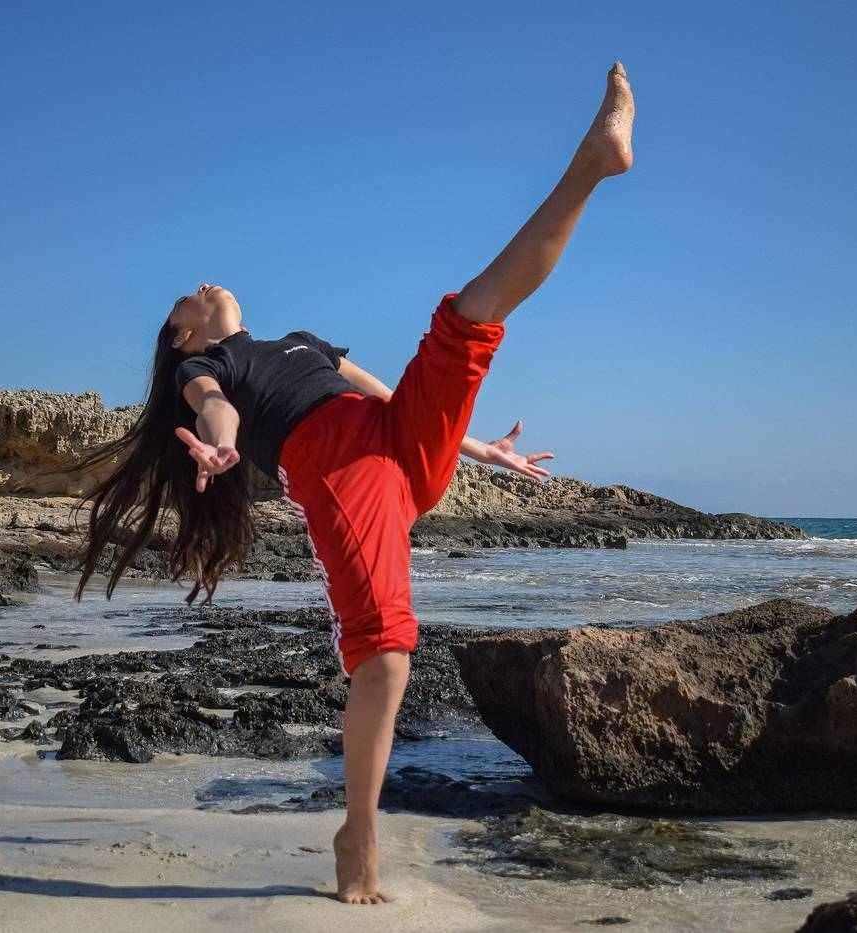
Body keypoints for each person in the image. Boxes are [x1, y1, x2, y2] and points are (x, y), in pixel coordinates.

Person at [74, 62, 635, 905]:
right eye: (185, 297)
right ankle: (358, 830)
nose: (203, 286)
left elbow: (388, 393)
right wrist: (223, 448)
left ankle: (593, 161)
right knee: (387, 655)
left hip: (394, 443)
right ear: (181, 333)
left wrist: (481, 451)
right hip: (335, 465)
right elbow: (217, 408)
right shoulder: (208, 362)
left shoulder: (299, 339)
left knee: (467, 318)